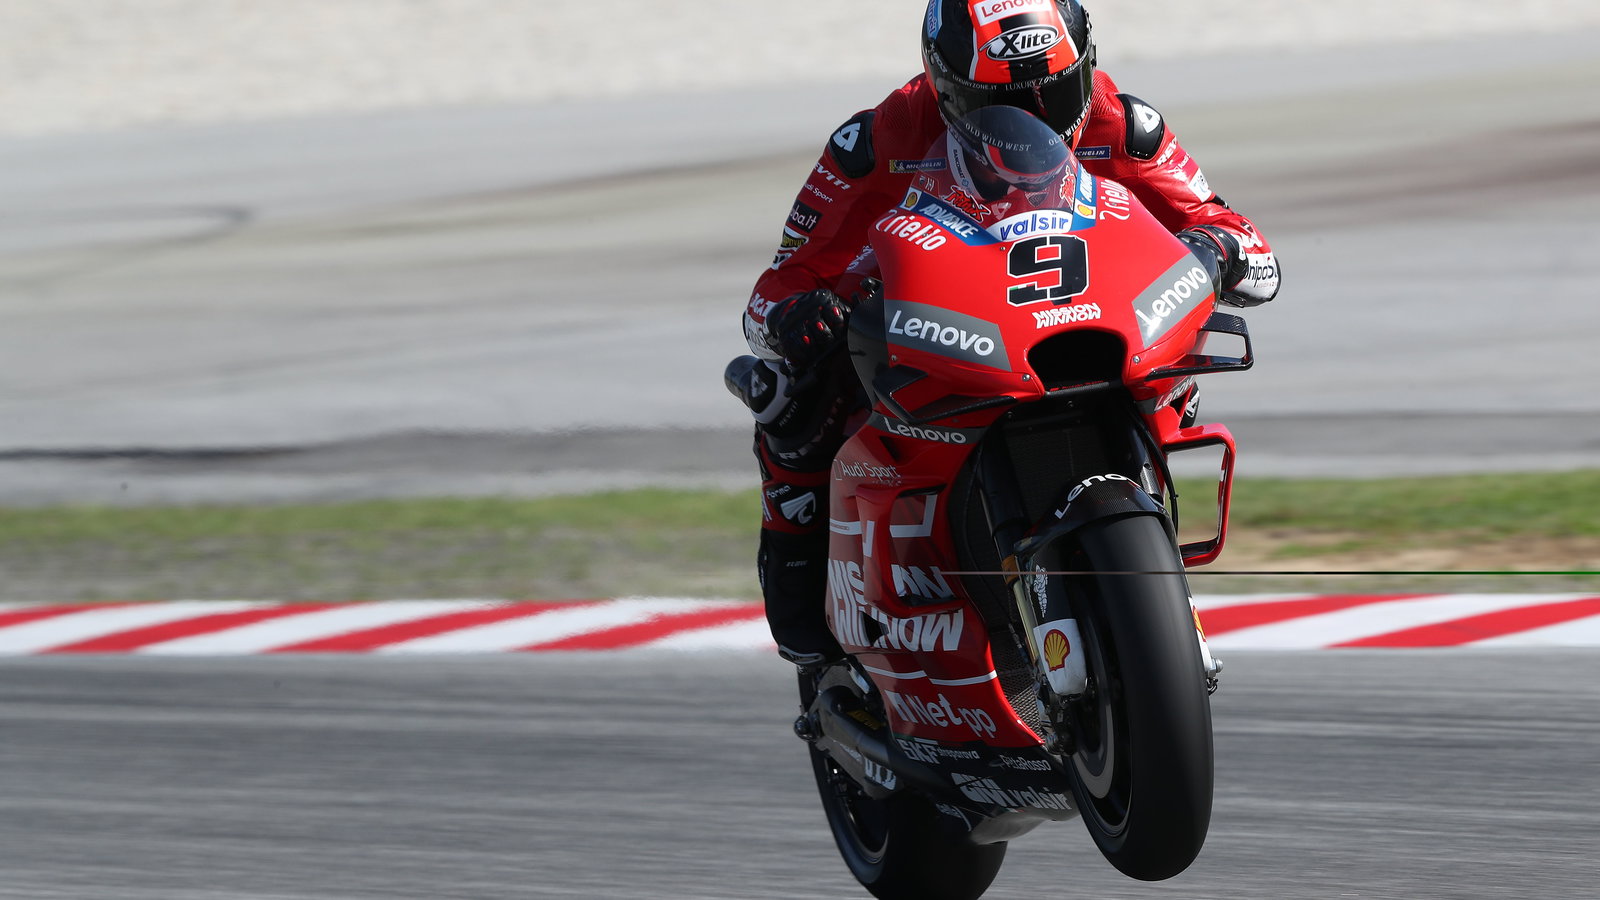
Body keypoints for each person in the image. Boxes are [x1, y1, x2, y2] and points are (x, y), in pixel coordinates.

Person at [739, 0, 1281, 665]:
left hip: (1093, 333)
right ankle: (807, 610)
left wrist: (1216, 251)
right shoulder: (877, 142)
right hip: (940, 340)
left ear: (1086, 68)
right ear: (943, 88)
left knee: (1181, 363)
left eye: (1053, 93)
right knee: (792, 397)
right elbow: (774, 291)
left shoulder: (1124, 126)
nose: (1032, 120)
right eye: (998, 103)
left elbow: (1240, 237)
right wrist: (799, 315)